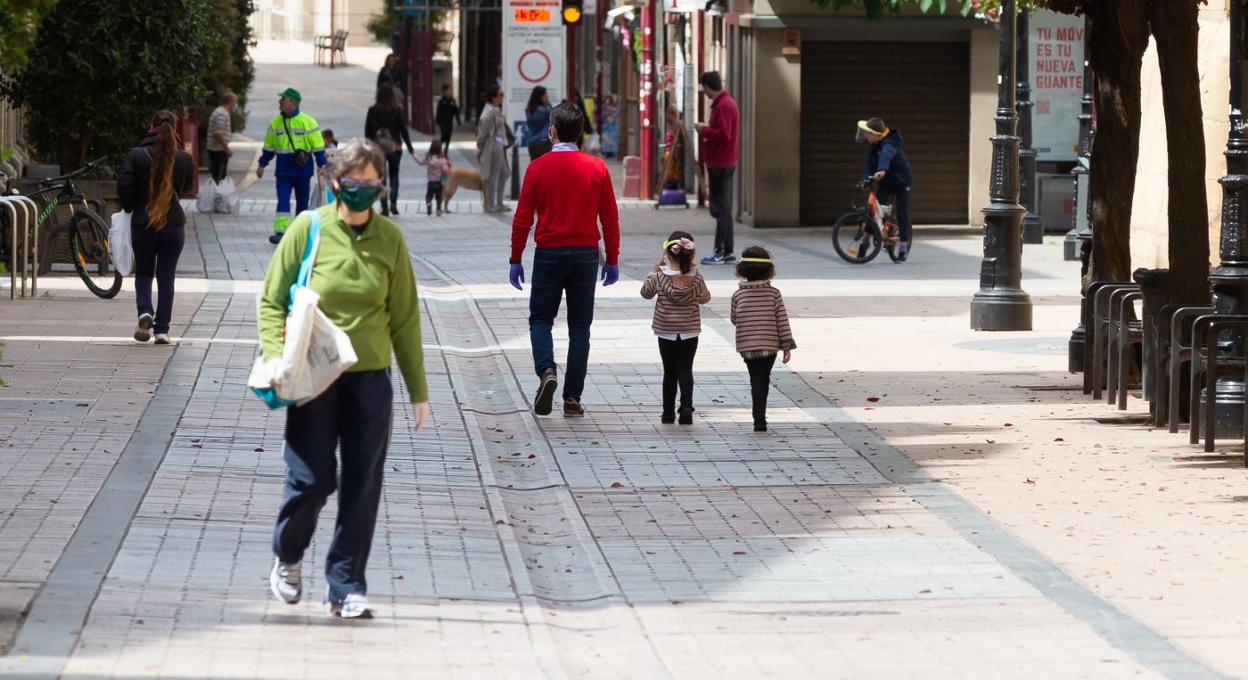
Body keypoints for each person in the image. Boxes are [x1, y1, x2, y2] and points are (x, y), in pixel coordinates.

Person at [258, 138, 430, 620]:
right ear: (335, 183)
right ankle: (288, 555)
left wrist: (419, 392)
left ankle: (346, 584)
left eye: (373, 183)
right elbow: (272, 299)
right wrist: (275, 356)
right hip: (314, 376)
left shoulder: (390, 239)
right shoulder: (308, 228)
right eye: (355, 183)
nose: (364, 191)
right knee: (312, 480)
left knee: (362, 485)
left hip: (370, 379)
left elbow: (405, 319)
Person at [510, 102, 620, 418]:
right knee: (580, 328)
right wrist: (611, 259)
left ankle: (547, 371)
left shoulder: (537, 168)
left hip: (549, 254)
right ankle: (572, 399)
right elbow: (610, 219)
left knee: (541, 319)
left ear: (553, 131)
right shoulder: (597, 168)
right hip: (586, 255)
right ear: (581, 133)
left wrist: (515, 258)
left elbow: (522, 218)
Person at [118, 111, 196, 345]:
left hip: (144, 223)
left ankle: (144, 311)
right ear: (175, 129)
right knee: (166, 276)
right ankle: (162, 330)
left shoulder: (136, 155)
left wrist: (131, 206)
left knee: (143, 272)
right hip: (173, 224)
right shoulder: (183, 158)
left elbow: (124, 187)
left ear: (150, 126)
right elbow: (187, 188)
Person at [640, 231, 710, 425]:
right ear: (691, 255)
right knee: (685, 369)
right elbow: (705, 298)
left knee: (669, 371)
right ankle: (686, 407)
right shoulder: (696, 278)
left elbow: (646, 293)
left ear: (668, 255)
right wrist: (696, 277)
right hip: (689, 330)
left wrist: (653, 271)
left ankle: (668, 412)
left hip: (666, 330)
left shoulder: (660, 276)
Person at [730, 246, 795, 432]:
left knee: (755, 378)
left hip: (747, 347)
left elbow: (735, 319)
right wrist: (787, 346)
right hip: (769, 345)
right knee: (763, 378)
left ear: (742, 270)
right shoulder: (774, 294)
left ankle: (758, 417)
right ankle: (760, 418)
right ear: (769, 270)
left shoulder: (738, 295)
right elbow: (781, 321)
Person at [257, 88, 329, 244]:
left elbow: (318, 147)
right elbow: (269, 147)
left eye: (283, 99)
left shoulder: (308, 122)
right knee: (283, 199)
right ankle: (281, 232)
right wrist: (262, 164)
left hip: (302, 170)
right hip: (283, 171)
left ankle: (300, 232)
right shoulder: (275, 123)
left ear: (293, 103)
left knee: (302, 201)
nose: (280, 102)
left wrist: (322, 165)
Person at [694, 71, 740, 265]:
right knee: (725, 208)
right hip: (724, 162)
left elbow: (724, 134)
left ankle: (720, 250)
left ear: (707, 87)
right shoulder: (727, 103)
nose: (704, 93)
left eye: (703, 89)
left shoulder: (723, 106)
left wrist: (703, 130)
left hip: (720, 163)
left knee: (720, 208)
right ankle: (727, 250)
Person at [858, 117, 914, 261]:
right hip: (886, 182)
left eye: (867, 134)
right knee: (874, 211)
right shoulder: (874, 146)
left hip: (902, 182)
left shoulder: (890, 143)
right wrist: (865, 178)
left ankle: (902, 246)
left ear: (875, 134)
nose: (865, 136)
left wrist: (882, 169)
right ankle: (865, 242)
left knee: (902, 213)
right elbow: (870, 163)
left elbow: (886, 155)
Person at [365, 84, 417, 217]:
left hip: (378, 148)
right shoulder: (397, 109)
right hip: (395, 147)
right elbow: (404, 130)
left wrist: (368, 147)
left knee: (381, 177)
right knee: (394, 174)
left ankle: (384, 206)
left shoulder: (373, 110)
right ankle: (393, 202)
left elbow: (368, 132)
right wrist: (410, 147)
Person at [476, 85, 512, 213]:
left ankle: (498, 202)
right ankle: (491, 204)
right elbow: (483, 131)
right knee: (494, 175)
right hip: (493, 145)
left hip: (499, 145)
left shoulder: (495, 109)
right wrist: (480, 149)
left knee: (505, 173)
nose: (502, 96)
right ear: (494, 97)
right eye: (500, 94)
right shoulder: (490, 111)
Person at [206, 92, 237, 183]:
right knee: (219, 177)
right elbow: (218, 133)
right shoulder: (222, 114)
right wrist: (226, 148)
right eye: (235, 102)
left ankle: (217, 194)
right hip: (217, 150)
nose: (235, 105)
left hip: (217, 149)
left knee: (218, 176)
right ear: (230, 102)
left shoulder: (219, 111)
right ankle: (217, 195)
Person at [415, 139, 451, 216]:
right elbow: (445, 170)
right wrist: (446, 171)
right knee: (439, 197)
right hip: (439, 182)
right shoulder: (442, 159)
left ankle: (428, 203)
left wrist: (414, 155)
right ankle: (438, 210)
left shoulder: (428, 158)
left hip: (431, 182)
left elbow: (420, 162)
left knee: (429, 195)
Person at [524, 86, 553, 160]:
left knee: (535, 166)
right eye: (546, 95)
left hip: (532, 142)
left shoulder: (529, 110)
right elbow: (553, 118)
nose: (547, 97)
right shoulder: (545, 110)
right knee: (545, 167)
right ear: (541, 96)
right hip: (544, 142)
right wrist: (548, 104)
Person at [436, 84, 461, 149]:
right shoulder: (441, 101)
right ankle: (439, 150)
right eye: (448, 90)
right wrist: (437, 122)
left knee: (448, 136)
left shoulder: (452, 100)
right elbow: (438, 112)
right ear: (444, 91)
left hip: (449, 122)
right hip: (443, 122)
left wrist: (458, 121)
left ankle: (445, 150)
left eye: (450, 90)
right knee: (443, 136)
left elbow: (456, 111)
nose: (450, 92)